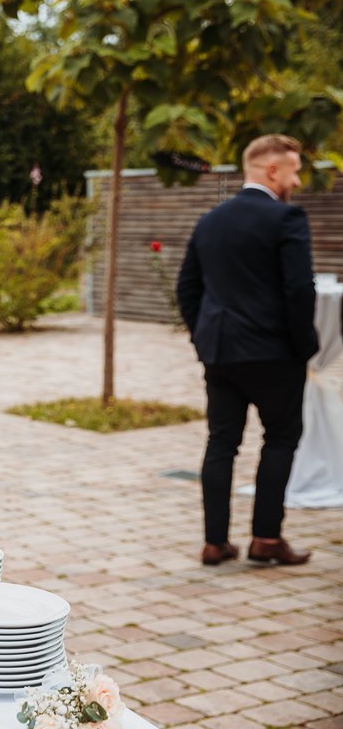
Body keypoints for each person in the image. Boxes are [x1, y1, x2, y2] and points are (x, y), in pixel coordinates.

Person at [176, 134, 319, 567]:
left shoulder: (210, 221)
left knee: (222, 442)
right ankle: (266, 540)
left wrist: (202, 336)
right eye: (294, 170)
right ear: (272, 170)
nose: (297, 179)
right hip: (273, 352)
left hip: (220, 352)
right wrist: (305, 347)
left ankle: (215, 543)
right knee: (279, 439)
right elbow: (299, 291)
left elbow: (187, 288)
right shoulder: (286, 219)